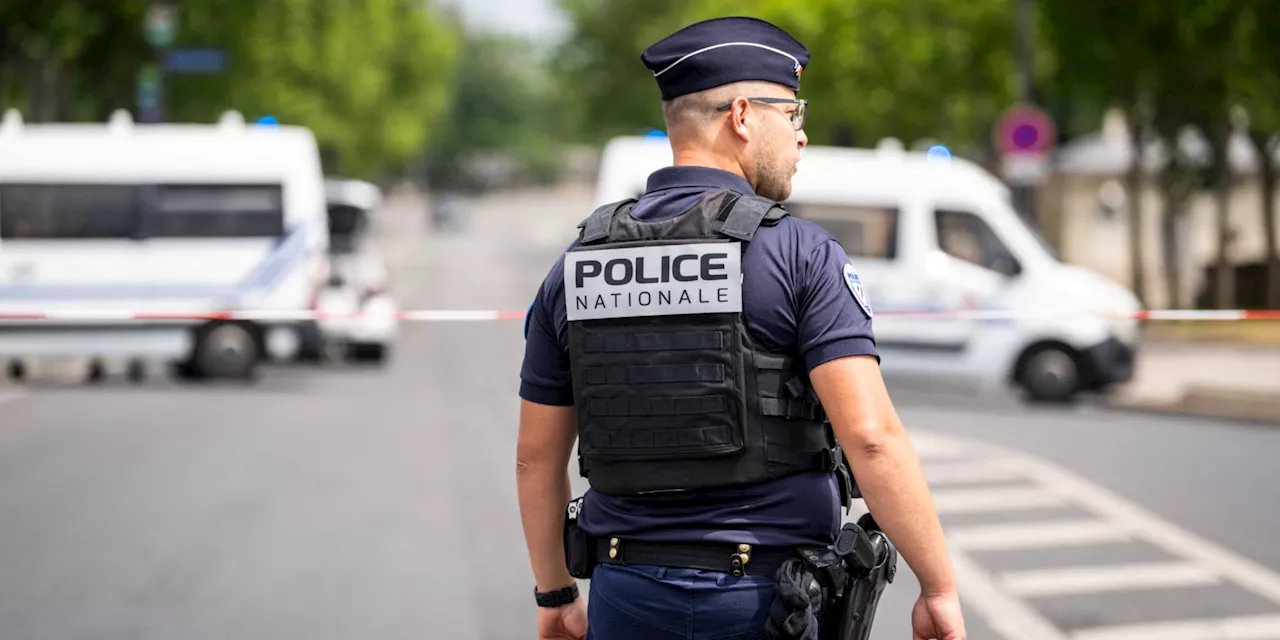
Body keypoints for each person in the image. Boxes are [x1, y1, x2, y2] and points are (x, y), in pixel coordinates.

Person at [516, 16, 966, 640]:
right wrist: (938, 587)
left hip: (626, 599)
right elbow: (870, 438)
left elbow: (536, 457)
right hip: (764, 605)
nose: (801, 136)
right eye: (794, 113)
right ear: (744, 116)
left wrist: (556, 592)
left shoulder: (577, 267)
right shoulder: (799, 254)